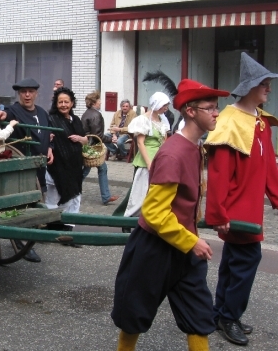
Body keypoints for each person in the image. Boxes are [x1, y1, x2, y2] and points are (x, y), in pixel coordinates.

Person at [111, 79, 229, 351]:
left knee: (199, 317)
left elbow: (188, 198)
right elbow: (153, 212)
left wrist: (211, 221)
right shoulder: (173, 153)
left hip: (183, 248)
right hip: (154, 248)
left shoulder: (195, 147)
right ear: (190, 111)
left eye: (216, 107)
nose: (216, 113)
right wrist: (191, 241)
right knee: (134, 316)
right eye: (209, 108)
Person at [205, 52, 278, 346]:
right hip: (236, 209)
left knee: (234, 262)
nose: (269, 89)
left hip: (249, 208)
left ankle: (220, 313)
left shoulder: (259, 120)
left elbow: (270, 166)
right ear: (251, 87)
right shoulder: (230, 121)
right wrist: (219, 215)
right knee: (248, 258)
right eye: (264, 84)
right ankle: (228, 317)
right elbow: (219, 174)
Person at [0, 77, 53, 263]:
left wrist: (50, 147)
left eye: (30, 91)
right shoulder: (13, 110)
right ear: (19, 94)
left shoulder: (43, 112)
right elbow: (2, 116)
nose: (27, 95)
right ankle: (21, 241)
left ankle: (28, 235)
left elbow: (48, 132)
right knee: (22, 205)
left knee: (37, 200)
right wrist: (1, 115)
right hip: (21, 167)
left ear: (36, 93)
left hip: (39, 166)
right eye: (23, 92)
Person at [123, 92, 171, 217]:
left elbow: (165, 141)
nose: (166, 108)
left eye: (167, 105)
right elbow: (140, 143)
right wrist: (149, 163)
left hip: (160, 157)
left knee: (156, 191)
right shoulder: (143, 119)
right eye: (164, 105)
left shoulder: (162, 120)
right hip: (147, 159)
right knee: (141, 191)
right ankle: (129, 218)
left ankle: (149, 217)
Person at [45, 87, 88, 219]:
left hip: (74, 167)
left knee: (75, 198)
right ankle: (52, 224)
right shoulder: (51, 120)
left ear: (72, 103)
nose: (63, 105)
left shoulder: (76, 120)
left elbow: (86, 139)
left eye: (66, 102)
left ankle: (70, 225)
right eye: (60, 102)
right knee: (54, 198)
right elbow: (47, 138)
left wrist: (80, 139)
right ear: (56, 104)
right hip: (57, 167)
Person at [81, 91, 119, 206]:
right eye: (99, 100)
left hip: (88, 146)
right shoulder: (96, 115)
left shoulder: (87, 113)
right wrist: (110, 140)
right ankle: (69, 191)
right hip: (93, 148)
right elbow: (98, 135)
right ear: (94, 102)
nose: (101, 102)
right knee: (88, 171)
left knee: (96, 169)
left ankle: (106, 196)